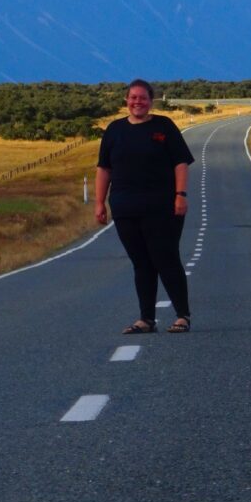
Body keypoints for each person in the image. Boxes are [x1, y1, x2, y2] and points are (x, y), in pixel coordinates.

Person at [95, 79, 194, 334]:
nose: (137, 102)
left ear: (151, 101)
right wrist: (99, 202)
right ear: (126, 100)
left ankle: (182, 315)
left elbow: (180, 163)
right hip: (125, 208)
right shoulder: (114, 130)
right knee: (141, 262)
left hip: (162, 207)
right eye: (133, 97)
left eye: (142, 98)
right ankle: (146, 319)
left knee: (166, 258)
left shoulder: (164, 127)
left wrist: (180, 195)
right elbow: (104, 168)